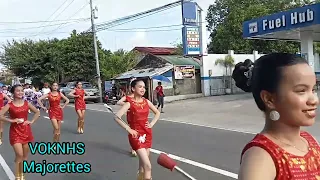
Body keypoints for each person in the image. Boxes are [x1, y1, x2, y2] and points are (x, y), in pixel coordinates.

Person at [234, 53, 320, 179]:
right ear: (269, 99)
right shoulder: (261, 156)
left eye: (313, 89)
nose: (314, 100)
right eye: (301, 90)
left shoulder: (310, 142)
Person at [115, 79, 160, 180]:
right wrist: (129, 129)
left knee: (143, 167)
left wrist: (151, 123)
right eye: (140, 87)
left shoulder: (147, 102)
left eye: (144, 87)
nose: (143, 89)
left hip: (147, 134)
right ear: (133, 89)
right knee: (148, 166)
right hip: (136, 136)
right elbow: (117, 117)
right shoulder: (129, 103)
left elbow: (157, 113)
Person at [0, 84, 40, 180]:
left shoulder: (27, 103)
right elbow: (0, 115)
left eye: (22, 90)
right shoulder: (9, 105)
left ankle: (22, 174)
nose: (20, 92)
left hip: (26, 131)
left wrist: (32, 121)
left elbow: (37, 112)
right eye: (18, 90)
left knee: (25, 157)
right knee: (19, 154)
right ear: (13, 92)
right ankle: (17, 177)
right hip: (15, 132)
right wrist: (12, 120)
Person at [117, 77, 137, 156]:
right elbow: (119, 102)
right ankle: (133, 148)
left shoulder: (139, 97)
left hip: (139, 116)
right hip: (131, 116)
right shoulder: (128, 97)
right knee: (132, 132)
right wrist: (127, 106)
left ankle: (138, 146)